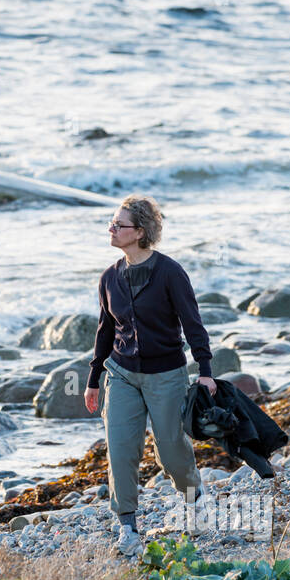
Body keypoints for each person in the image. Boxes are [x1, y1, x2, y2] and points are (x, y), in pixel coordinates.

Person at [82, 195, 217, 555]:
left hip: (167, 374)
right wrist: (94, 379)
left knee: (171, 451)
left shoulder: (170, 273)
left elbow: (193, 325)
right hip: (122, 374)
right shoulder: (109, 277)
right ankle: (127, 527)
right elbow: (105, 331)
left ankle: (194, 497)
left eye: (119, 225)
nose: (111, 229)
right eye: (111, 223)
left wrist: (206, 371)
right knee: (121, 450)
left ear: (140, 232)